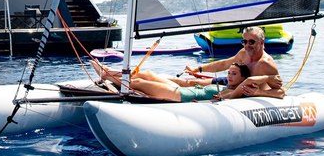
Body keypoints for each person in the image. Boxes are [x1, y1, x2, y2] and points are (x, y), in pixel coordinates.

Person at [183, 26, 284, 97]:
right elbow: (224, 64)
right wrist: (198, 69)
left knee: (200, 88)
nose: (247, 45)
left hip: (242, 92)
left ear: (261, 42)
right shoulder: (244, 53)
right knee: (192, 82)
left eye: (251, 42)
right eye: (244, 41)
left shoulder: (266, 64)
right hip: (233, 83)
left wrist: (259, 92)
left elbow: (281, 92)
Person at [90, 60, 260, 102]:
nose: (230, 76)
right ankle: (108, 71)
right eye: (229, 73)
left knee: (138, 84)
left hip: (178, 95)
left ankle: (105, 75)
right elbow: (194, 84)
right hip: (182, 90)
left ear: (243, 79)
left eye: (234, 74)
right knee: (146, 75)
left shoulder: (233, 92)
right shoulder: (222, 83)